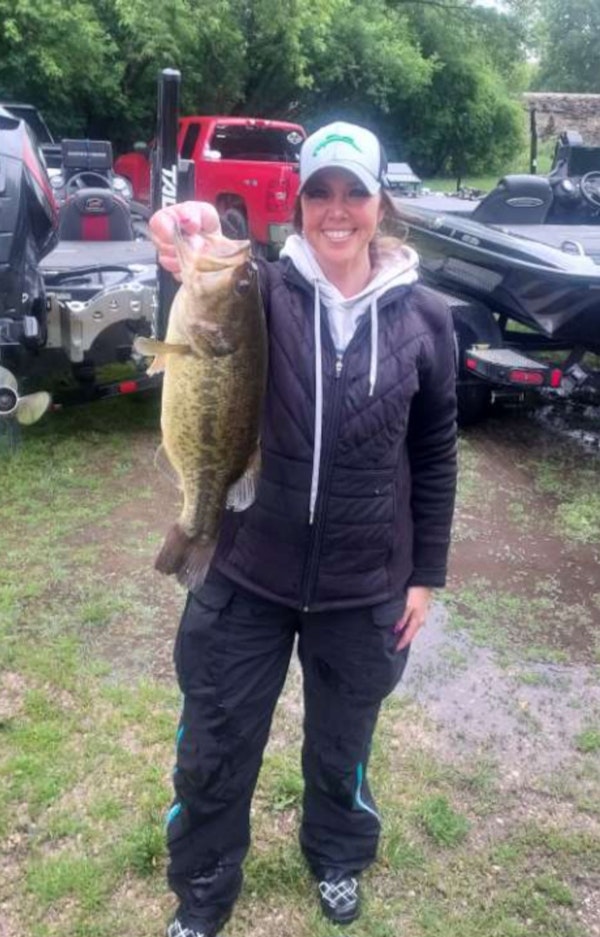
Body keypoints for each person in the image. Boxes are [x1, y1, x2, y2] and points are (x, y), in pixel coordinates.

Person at [150, 121, 457, 937]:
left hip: (364, 584)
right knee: (214, 744)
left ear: (381, 204)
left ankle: (337, 857)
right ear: (299, 201)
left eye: (355, 192)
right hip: (247, 571)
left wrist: (425, 573)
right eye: (320, 191)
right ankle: (204, 888)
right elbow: (197, 289)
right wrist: (186, 231)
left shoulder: (427, 318)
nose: (337, 209)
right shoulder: (260, 292)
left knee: (341, 747)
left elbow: (434, 453)